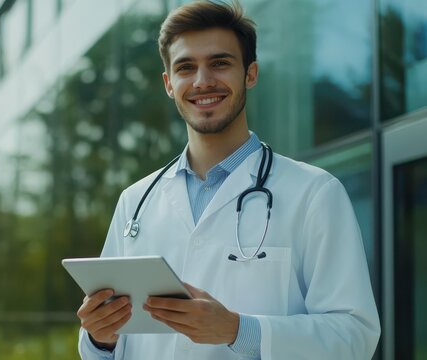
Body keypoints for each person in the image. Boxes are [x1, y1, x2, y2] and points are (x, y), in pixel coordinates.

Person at [75, 0, 380, 359]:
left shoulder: (314, 193)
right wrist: (100, 338)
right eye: (186, 67)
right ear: (169, 83)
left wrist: (238, 330)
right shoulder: (135, 201)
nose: (203, 81)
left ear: (250, 74)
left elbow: (355, 336)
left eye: (220, 63)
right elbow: (110, 347)